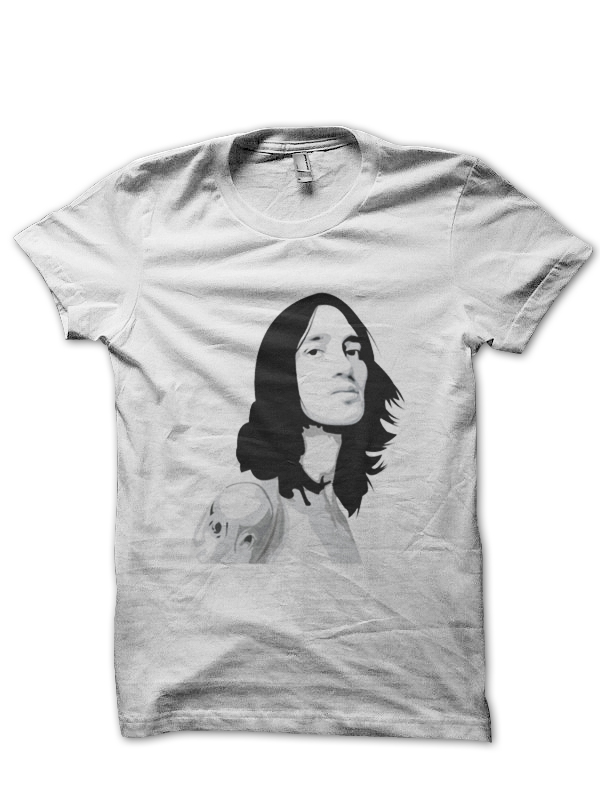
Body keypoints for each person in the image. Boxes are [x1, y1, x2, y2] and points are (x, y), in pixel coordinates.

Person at [193, 292, 404, 564]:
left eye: (352, 351)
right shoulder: (251, 503)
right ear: (281, 373)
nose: (346, 366)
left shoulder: (327, 498)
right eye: (315, 351)